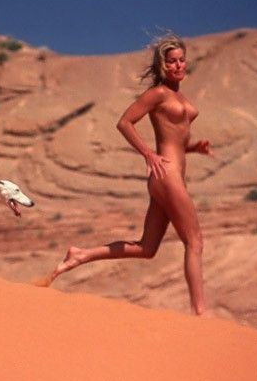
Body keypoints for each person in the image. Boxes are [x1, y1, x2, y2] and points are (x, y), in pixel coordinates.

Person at [49, 34, 213, 315]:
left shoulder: (180, 98)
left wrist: (193, 148)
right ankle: (200, 313)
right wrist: (147, 153)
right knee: (194, 241)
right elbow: (124, 123)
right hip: (166, 174)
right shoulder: (158, 93)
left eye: (181, 60)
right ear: (162, 65)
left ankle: (81, 255)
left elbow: (174, 141)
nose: (178, 65)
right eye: (172, 61)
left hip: (170, 175)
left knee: (147, 248)